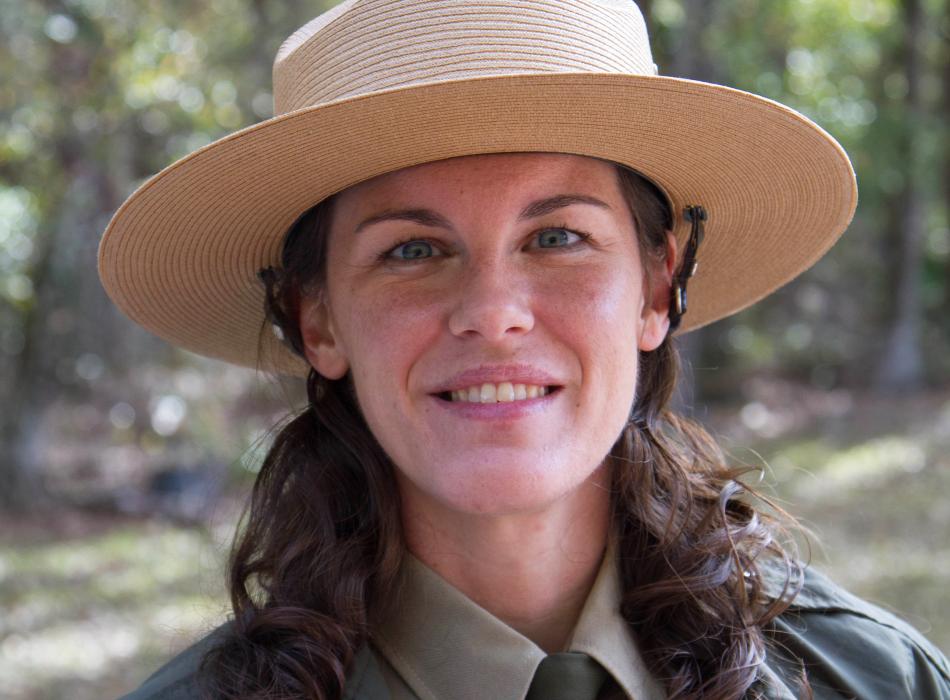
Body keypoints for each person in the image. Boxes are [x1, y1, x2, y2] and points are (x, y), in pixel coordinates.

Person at [99, 1, 950, 698]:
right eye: (411, 250)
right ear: (316, 320)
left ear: (659, 287)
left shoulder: (876, 682)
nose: (494, 313)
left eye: (557, 237)